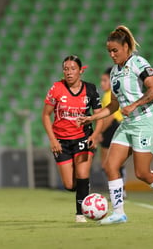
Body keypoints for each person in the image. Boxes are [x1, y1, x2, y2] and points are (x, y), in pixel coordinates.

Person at [78, 25, 153, 224]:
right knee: (110, 165)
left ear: (126, 47)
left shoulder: (138, 63)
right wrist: (92, 117)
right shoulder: (115, 73)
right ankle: (119, 213)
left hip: (147, 121)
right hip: (128, 124)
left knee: (142, 173)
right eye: (109, 51)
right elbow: (115, 105)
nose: (112, 54)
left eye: (115, 50)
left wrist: (134, 105)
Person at [42, 55, 103, 223]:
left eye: (72, 69)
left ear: (80, 71)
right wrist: (53, 140)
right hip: (61, 141)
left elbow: (100, 116)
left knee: (82, 174)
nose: (69, 72)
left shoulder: (90, 89)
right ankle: (83, 190)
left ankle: (80, 214)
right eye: (66, 69)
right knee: (70, 185)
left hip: (83, 137)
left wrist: (95, 135)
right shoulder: (56, 88)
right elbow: (45, 116)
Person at [99, 67, 127, 195]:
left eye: (105, 80)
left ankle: (118, 189)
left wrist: (98, 133)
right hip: (118, 126)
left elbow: (109, 116)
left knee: (108, 163)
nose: (102, 83)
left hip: (112, 128)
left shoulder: (109, 95)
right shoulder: (114, 93)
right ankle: (120, 189)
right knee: (113, 162)